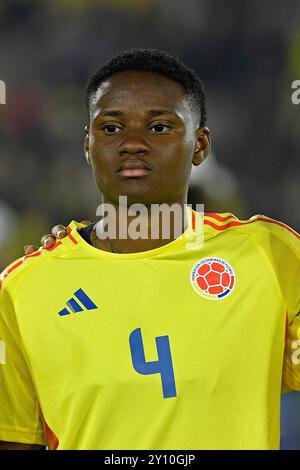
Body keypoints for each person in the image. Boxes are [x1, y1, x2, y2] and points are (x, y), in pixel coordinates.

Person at [0, 49, 299, 451]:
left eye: (159, 127)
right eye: (110, 128)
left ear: (200, 145)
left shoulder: (270, 256)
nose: (133, 143)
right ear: (87, 145)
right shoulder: (22, 291)